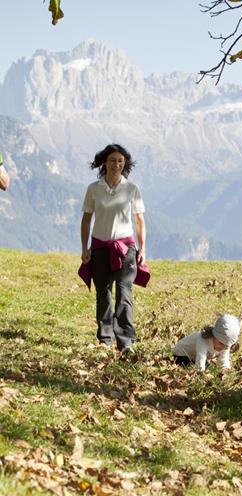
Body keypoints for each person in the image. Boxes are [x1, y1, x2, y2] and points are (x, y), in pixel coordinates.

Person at [80, 143, 147, 354]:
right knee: (103, 293)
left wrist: (142, 249)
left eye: (120, 161)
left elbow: (140, 221)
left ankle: (126, 341)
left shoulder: (131, 189)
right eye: (112, 160)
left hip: (125, 248)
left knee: (124, 293)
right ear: (104, 163)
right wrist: (84, 248)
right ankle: (105, 338)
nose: (116, 164)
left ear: (125, 163)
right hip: (100, 247)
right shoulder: (93, 188)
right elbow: (86, 220)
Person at [173, 314, 242, 371]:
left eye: (226, 346)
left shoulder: (224, 346)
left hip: (194, 356)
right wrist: (200, 372)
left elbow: (223, 360)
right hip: (181, 355)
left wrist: (226, 373)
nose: (222, 348)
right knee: (196, 367)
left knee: (208, 368)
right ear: (214, 336)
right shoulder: (203, 340)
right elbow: (201, 357)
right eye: (220, 343)